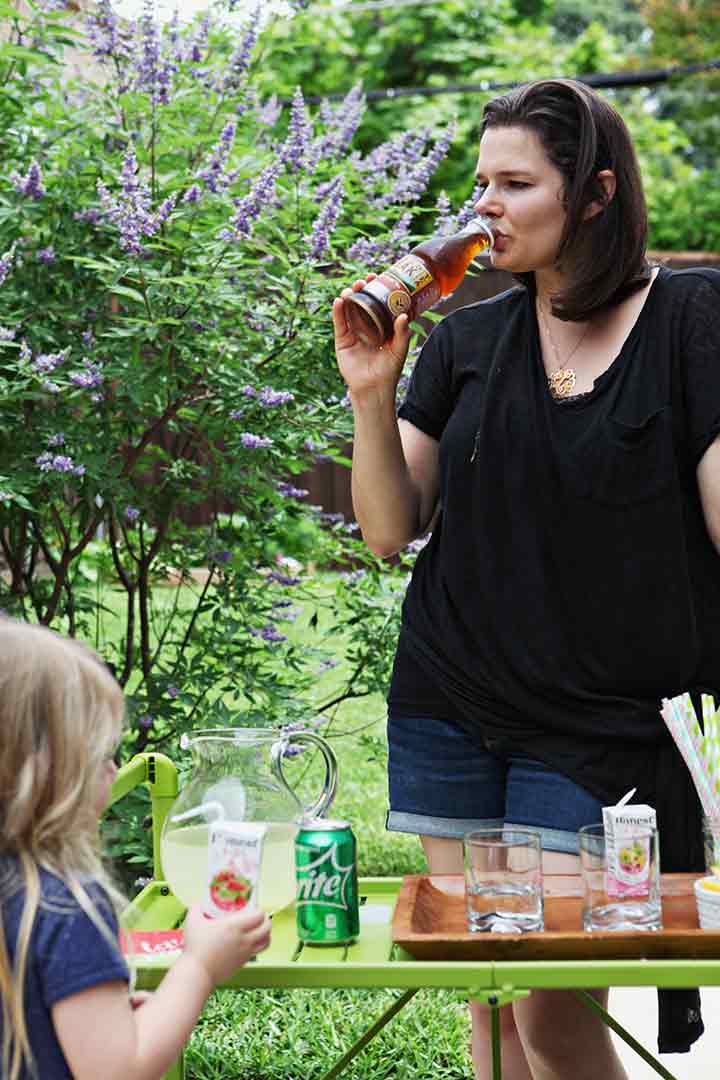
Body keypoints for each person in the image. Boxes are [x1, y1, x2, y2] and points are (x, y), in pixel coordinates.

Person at [333, 77, 719, 1079]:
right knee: (494, 1004)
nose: (484, 209)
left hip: (600, 723)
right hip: (449, 700)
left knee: (550, 1003)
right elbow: (387, 530)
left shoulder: (687, 319)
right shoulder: (462, 341)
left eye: (514, 184)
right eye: (478, 185)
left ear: (592, 195)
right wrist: (372, 395)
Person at [0, 617, 272, 1080]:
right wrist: (199, 966)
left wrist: (113, 1021)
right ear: (43, 771)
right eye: (101, 753)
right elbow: (120, 1071)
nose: (113, 769)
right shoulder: (64, 907)